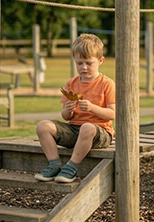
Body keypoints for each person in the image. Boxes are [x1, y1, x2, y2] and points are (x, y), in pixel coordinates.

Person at [34, 34, 115, 183]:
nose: (83, 67)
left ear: (100, 61)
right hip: (74, 130)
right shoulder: (71, 83)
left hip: (100, 132)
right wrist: (69, 109)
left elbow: (112, 114)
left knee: (87, 127)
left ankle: (71, 167)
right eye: (79, 63)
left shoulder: (107, 83)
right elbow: (66, 116)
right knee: (43, 126)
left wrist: (92, 108)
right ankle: (54, 164)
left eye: (88, 63)